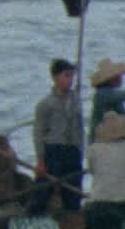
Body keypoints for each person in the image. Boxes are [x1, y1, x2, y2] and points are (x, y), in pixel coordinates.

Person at [28, 57, 85, 213]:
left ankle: (72, 221)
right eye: (66, 75)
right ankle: (32, 220)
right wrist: (40, 159)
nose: (70, 80)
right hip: (53, 151)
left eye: (72, 76)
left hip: (72, 151)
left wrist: (80, 151)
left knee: (73, 192)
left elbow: (80, 129)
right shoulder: (45, 104)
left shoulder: (76, 101)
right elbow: (38, 133)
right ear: (55, 78)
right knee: (43, 190)